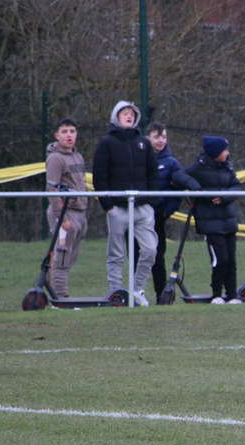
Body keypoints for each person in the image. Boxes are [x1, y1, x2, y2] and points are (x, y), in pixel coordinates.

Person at [93, 101, 158, 307]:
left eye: (131, 113)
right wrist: (108, 206)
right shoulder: (106, 143)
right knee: (117, 254)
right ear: (116, 117)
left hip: (142, 208)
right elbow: (99, 177)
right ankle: (116, 293)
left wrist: (150, 201)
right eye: (124, 113)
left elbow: (153, 174)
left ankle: (137, 290)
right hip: (117, 208)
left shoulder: (144, 143)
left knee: (150, 250)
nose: (129, 116)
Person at [143, 122, 201, 303]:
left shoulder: (171, 163)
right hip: (138, 216)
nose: (160, 140)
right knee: (137, 255)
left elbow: (177, 189)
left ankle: (161, 295)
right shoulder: (139, 160)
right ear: (147, 139)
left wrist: (166, 211)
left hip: (157, 218)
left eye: (163, 137)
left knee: (157, 255)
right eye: (156, 137)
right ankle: (136, 292)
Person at [185, 136, 242, 304]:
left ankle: (232, 295)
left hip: (229, 222)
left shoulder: (228, 167)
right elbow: (180, 176)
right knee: (220, 260)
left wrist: (224, 197)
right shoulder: (198, 167)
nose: (227, 153)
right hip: (210, 224)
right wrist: (197, 189)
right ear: (215, 152)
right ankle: (216, 294)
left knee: (231, 260)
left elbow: (236, 185)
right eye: (224, 150)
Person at [45, 117, 88, 299]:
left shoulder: (78, 156)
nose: (69, 135)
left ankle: (49, 292)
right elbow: (52, 188)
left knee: (70, 257)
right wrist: (61, 218)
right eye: (64, 132)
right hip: (64, 213)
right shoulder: (55, 159)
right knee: (61, 256)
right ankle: (60, 298)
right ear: (57, 135)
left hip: (79, 213)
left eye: (72, 131)